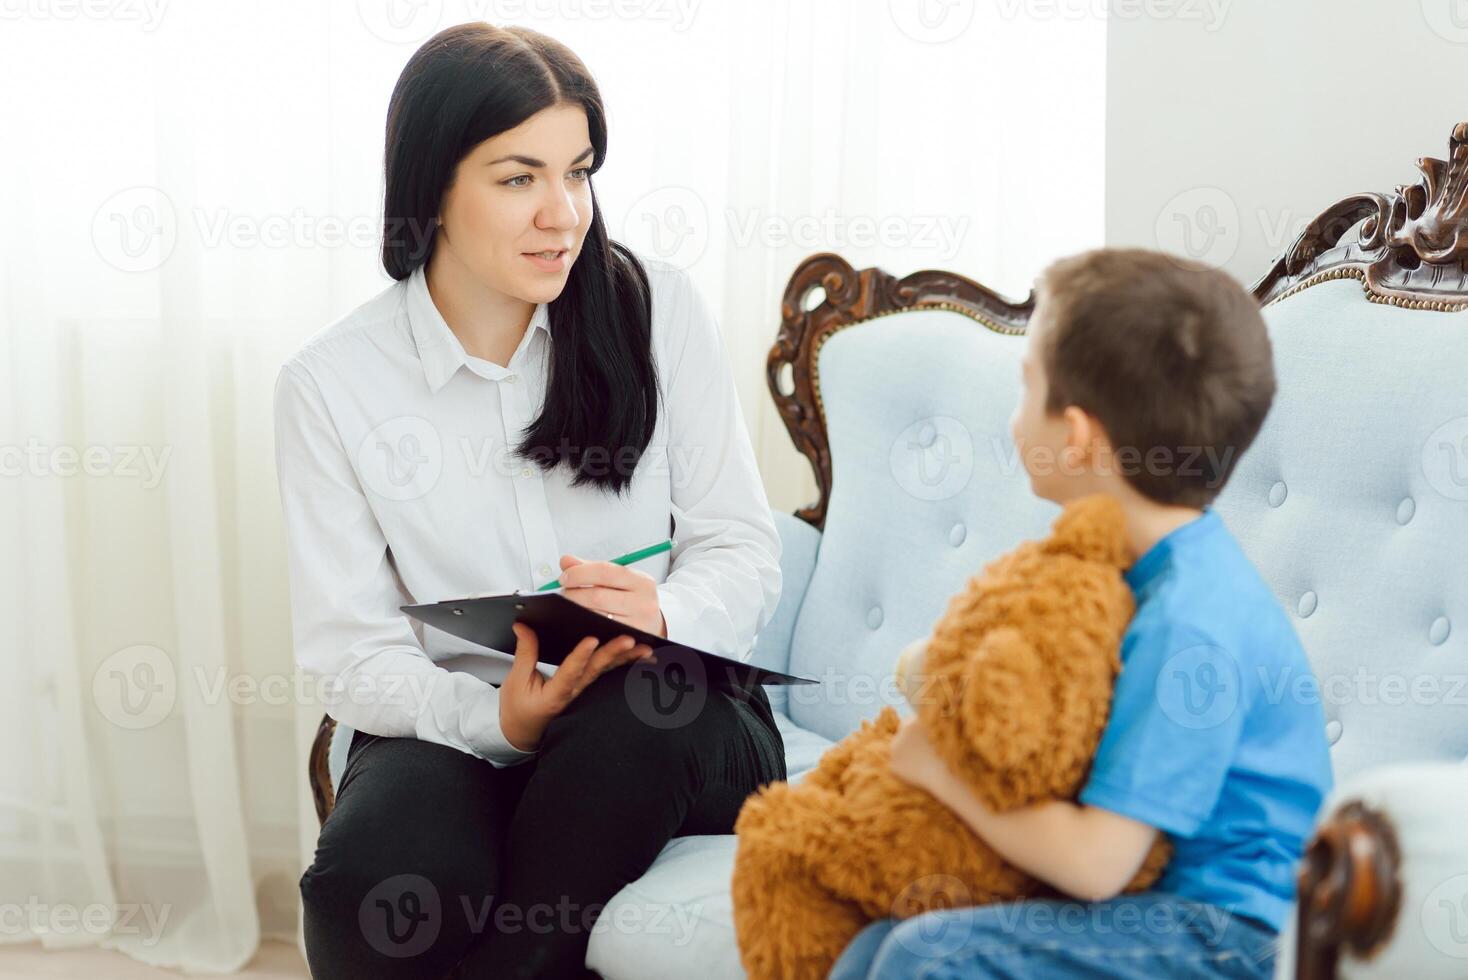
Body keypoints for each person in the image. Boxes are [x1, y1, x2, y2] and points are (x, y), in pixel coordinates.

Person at [272, 23, 785, 979]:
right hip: (457, 717)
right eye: (519, 179)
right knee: (371, 889)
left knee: (630, 718)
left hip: (674, 718)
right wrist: (499, 725)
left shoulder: (657, 308)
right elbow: (351, 651)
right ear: (432, 190)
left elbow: (741, 546)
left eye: (579, 172)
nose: (564, 214)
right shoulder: (329, 385)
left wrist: (667, 609)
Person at [830, 248, 1333, 979]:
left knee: (921, 956)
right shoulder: (1126, 576)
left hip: (1227, 938)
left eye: (1024, 388)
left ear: (1077, 436)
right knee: (877, 940)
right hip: (1161, 907)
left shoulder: (1188, 616)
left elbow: (1098, 864)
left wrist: (942, 771)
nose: (1010, 422)